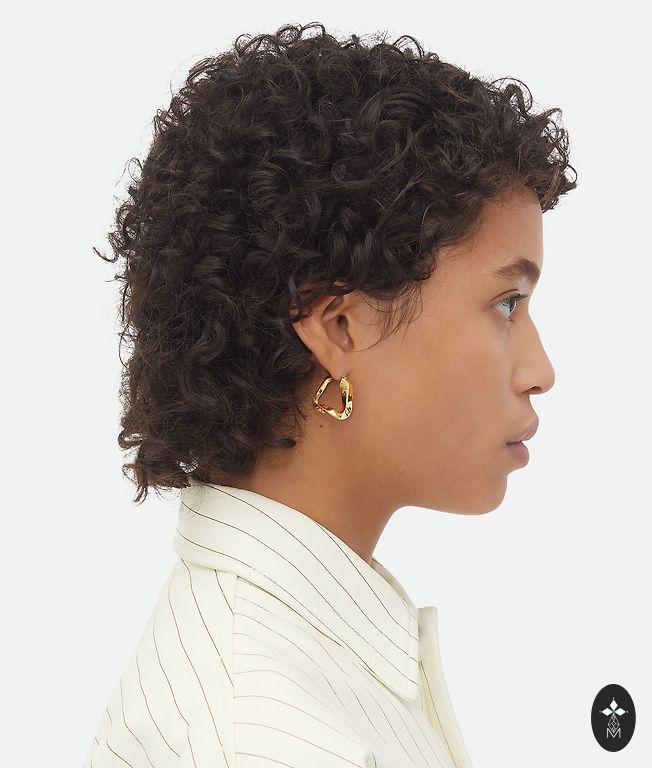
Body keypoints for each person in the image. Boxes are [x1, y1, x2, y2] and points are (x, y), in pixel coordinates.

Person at [84, 21, 578, 768]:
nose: (540, 370)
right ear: (339, 326)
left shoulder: (302, 662)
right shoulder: (262, 736)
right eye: (507, 303)